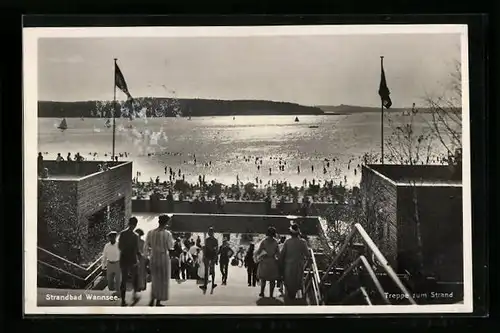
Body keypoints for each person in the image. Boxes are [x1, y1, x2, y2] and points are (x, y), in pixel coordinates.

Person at [144, 214, 175, 306]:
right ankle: (158, 300)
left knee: (155, 279)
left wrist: (147, 257)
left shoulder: (150, 232)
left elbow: (146, 246)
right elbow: (170, 247)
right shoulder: (167, 234)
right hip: (163, 257)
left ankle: (152, 299)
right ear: (166, 223)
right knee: (162, 280)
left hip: (154, 257)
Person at [279, 224, 310, 301]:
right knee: (298, 280)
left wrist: (280, 263)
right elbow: (307, 254)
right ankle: (295, 296)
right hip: (299, 265)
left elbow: (282, 254)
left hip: (289, 265)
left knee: (289, 280)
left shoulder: (287, 242)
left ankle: (289, 297)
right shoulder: (303, 242)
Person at [118, 217, 141, 306]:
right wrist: (138, 257)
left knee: (123, 279)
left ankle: (123, 300)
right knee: (135, 277)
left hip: (123, 259)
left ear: (128, 223)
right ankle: (134, 295)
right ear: (135, 225)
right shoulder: (135, 236)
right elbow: (136, 249)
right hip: (132, 260)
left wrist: (125, 252)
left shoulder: (122, 234)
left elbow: (120, 247)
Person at [254, 227, 280, 298]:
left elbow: (259, 251)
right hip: (272, 261)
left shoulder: (264, 241)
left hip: (264, 261)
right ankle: (271, 294)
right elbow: (278, 253)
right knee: (272, 279)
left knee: (263, 278)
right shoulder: (275, 242)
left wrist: (256, 257)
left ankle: (262, 292)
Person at [200, 226, 219, 294]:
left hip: (208, 256)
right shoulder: (214, 240)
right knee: (211, 270)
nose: (209, 233)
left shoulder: (207, 240)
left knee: (207, 271)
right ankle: (212, 284)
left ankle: (206, 285)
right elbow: (216, 250)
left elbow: (206, 249)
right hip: (211, 256)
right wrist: (215, 258)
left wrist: (204, 256)